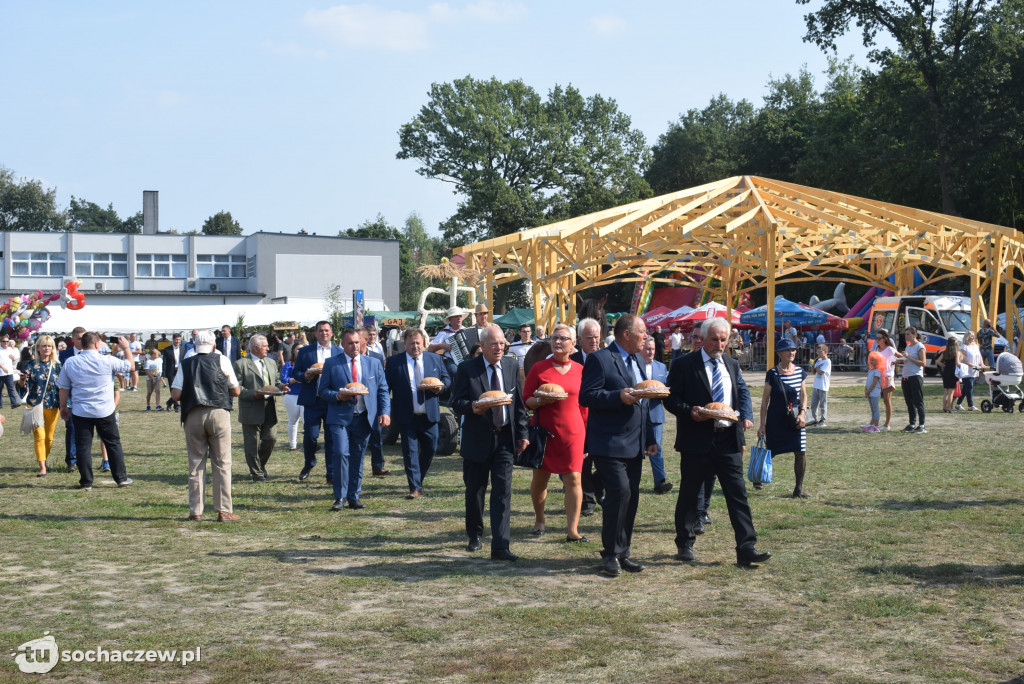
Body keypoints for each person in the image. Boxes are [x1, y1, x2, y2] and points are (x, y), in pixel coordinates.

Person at [666, 317, 770, 566]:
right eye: (715, 339)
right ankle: (685, 542)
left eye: (724, 339)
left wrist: (746, 415)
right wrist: (688, 411)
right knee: (690, 494)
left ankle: (747, 547)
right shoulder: (683, 365)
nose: (720, 344)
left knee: (738, 495)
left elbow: (742, 391)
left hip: (728, 440)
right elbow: (670, 398)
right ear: (702, 338)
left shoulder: (732, 364)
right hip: (696, 440)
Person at [579, 314, 658, 577]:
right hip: (608, 442)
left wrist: (649, 439)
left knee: (631, 497)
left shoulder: (636, 359)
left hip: (634, 443)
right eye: (642, 332)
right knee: (619, 493)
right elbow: (587, 396)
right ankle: (610, 553)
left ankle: (623, 552)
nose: (646, 336)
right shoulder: (599, 359)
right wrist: (617, 396)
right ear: (626, 334)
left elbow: (643, 401)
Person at [450, 324, 529, 561]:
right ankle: (474, 534)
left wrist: (523, 433)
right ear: (482, 346)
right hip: (477, 438)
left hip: (504, 438)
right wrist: (472, 407)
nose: (499, 347)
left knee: (503, 492)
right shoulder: (467, 369)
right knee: (475, 490)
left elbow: (519, 405)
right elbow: (456, 401)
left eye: (502, 342)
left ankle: (501, 546)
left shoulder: (512, 365)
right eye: (494, 343)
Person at [523, 323, 588, 542]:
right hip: (544, 432)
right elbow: (526, 401)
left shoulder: (581, 370)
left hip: (573, 433)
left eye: (563, 339)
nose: (558, 342)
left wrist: (587, 439)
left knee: (574, 480)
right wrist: (541, 400)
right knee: (540, 480)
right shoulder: (539, 368)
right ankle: (540, 520)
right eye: (554, 338)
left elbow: (584, 407)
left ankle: (573, 530)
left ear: (573, 343)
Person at [170, 329, 242, 522]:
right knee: (222, 462)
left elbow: (175, 395)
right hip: (218, 412)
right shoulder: (222, 360)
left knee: (195, 462)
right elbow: (235, 391)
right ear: (214, 345)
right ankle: (224, 510)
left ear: (194, 346)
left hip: (193, 413)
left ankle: (196, 511)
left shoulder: (186, 363)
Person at [317, 328, 390, 510]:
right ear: (342, 344)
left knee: (358, 456)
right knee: (341, 453)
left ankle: (353, 496)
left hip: (364, 418)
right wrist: (338, 395)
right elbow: (322, 391)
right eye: (350, 343)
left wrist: (385, 412)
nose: (354, 346)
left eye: (357, 342)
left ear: (362, 342)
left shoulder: (373, 363)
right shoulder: (332, 364)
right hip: (340, 418)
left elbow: (382, 389)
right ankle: (339, 497)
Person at [56, 332, 135, 490]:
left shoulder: (71, 362)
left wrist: (63, 407)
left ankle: (86, 482)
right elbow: (131, 366)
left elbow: (63, 387)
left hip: (81, 410)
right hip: (104, 409)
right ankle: (121, 478)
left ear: (82, 344)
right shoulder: (107, 360)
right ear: (97, 345)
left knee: (83, 446)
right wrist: (126, 347)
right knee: (113, 444)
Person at [385, 327, 449, 499]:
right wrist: (384, 411)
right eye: (411, 343)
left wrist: (440, 387)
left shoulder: (435, 359)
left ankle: (417, 479)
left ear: (424, 344)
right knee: (410, 451)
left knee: (430, 448)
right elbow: (385, 389)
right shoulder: (393, 363)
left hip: (429, 415)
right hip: (406, 416)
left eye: (418, 343)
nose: (415, 346)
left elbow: (447, 380)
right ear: (404, 344)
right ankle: (414, 487)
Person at [757, 337, 809, 497]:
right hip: (775, 419)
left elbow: (804, 395)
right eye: (787, 349)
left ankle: (798, 489)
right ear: (779, 353)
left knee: (800, 451)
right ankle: (758, 476)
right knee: (771, 450)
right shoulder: (772, 374)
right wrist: (762, 424)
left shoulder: (800, 371)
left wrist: (802, 413)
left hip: (795, 419)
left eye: (793, 349)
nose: (791, 352)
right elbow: (765, 401)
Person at [234, 334, 288, 481]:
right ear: (256, 348)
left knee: (271, 438)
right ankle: (256, 473)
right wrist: (254, 394)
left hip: (270, 407)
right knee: (252, 443)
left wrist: (283, 387)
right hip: (251, 408)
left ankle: (260, 465)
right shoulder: (241, 364)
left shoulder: (271, 362)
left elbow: (275, 382)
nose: (268, 348)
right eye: (265, 346)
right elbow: (236, 387)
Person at [293, 321, 341, 483]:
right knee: (310, 437)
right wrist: (305, 375)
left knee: (331, 438)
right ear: (315, 333)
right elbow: (296, 372)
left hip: (331, 401)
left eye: (327, 330)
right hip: (312, 401)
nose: (324, 333)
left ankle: (331, 473)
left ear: (332, 333)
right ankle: (309, 463)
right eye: (320, 331)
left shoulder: (339, 352)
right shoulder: (306, 351)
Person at [571, 317, 604, 517]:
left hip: (601, 418)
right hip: (577, 419)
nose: (594, 341)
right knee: (582, 463)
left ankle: (598, 488)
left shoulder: (608, 358)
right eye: (589, 337)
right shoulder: (572, 361)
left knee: (605, 461)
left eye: (596, 337)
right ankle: (588, 500)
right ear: (579, 339)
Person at [24, 335, 61, 476]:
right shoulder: (31, 365)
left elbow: (63, 386)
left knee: (49, 437)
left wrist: (65, 404)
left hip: (52, 404)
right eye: (44, 346)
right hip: (34, 404)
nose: (47, 348)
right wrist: (22, 381)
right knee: (39, 435)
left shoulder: (57, 365)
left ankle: (44, 460)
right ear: (38, 348)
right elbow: (22, 388)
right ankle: (42, 467)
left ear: (53, 349)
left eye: (49, 346)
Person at [640, 337, 672, 494]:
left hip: (655, 414)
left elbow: (666, 390)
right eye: (647, 349)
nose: (650, 352)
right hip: (637, 413)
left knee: (657, 448)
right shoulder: (633, 365)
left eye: (652, 349)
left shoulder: (661, 367)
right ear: (640, 349)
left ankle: (660, 481)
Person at [359, 326, 390, 477]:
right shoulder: (345, 357)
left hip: (373, 401)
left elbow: (381, 383)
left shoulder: (377, 357)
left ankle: (378, 466)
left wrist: (383, 408)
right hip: (356, 403)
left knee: (376, 434)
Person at [58, 326, 86, 472]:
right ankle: (71, 460)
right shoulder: (64, 355)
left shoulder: (93, 354)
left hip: (87, 399)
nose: (82, 341)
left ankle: (85, 460)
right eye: (79, 338)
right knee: (72, 428)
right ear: (72, 339)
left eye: (84, 338)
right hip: (69, 398)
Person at [894, 327, 927, 433]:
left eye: (908, 334)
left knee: (918, 401)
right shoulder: (908, 346)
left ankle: (922, 425)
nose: (906, 336)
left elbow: (923, 363)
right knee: (909, 401)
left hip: (915, 376)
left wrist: (908, 357)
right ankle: (912, 423)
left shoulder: (920, 346)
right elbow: (907, 361)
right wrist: (898, 361)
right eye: (906, 334)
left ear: (914, 335)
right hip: (906, 376)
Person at [427, 307, 468, 381]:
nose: (459, 318)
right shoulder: (444, 332)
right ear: (450, 319)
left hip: (467, 360)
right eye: (456, 316)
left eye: (460, 316)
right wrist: (442, 345)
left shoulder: (466, 330)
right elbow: (430, 348)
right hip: (450, 360)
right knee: (455, 371)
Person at [281, 345, 303, 450]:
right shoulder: (289, 364)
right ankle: (292, 444)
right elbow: (283, 379)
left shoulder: (307, 363)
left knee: (307, 421)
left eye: (302, 348)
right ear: (293, 351)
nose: (300, 350)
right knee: (293, 420)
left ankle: (309, 443)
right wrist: (294, 380)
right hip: (292, 395)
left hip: (304, 395)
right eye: (297, 348)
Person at [874, 330, 897, 430]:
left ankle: (887, 424)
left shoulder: (890, 349)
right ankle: (875, 422)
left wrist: (894, 362)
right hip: (878, 376)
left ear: (885, 339)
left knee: (886, 400)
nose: (877, 340)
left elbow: (901, 357)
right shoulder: (877, 348)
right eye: (876, 338)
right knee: (877, 399)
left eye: (879, 338)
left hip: (887, 376)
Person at [956, 331, 982, 411]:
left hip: (975, 369)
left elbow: (979, 355)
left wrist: (982, 364)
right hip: (967, 370)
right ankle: (971, 405)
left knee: (966, 388)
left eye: (974, 336)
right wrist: (971, 364)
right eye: (971, 336)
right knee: (969, 386)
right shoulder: (964, 347)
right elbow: (962, 359)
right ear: (967, 337)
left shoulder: (976, 346)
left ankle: (958, 404)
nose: (973, 338)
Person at [807, 344, 831, 427]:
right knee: (813, 404)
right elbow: (814, 372)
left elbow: (820, 372)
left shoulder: (827, 361)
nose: (819, 353)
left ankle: (823, 420)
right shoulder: (819, 360)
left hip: (823, 386)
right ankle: (814, 420)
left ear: (826, 352)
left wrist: (815, 366)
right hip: (816, 385)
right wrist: (812, 365)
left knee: (823, 404)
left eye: (820, 351)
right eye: (818, 352)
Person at [936, 336, 960, 413]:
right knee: (951, 392)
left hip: (945, 372)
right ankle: (950, 408)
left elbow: (938, 362)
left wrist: (943, 365)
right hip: (953, 372)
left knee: (946, 392)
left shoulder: (945, 352)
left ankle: (944, 407)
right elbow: (957, 363)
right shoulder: (956, 352)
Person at [162, 333, 183, 412]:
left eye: (179, 340)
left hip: (180, 371)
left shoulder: (183, 349)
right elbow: (164, 362)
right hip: (171, 371)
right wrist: (163, 374)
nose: (177, 341)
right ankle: (176, 405)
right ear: (173, 340)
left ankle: (169, 402)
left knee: (180, 389)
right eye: (176, 339)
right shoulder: (167, 349)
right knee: (173, 388)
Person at [863, 351, 883, 432]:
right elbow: (868, 381)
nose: (871, 362)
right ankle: (872, 424)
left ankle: (876, 425)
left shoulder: (877, 371)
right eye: (871, 360)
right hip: (870, 392)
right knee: (872, 409)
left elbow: (874, 383)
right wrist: (866, 390)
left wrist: (868, 391)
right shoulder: (870, 370)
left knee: (875, 409)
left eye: (873, 360)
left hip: (874, 393)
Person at [0, 333, 21, 408]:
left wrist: (13, 357)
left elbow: (14, 358)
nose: (6, 343)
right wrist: (3, 368)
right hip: (1, 373)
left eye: (7, 341)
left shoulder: (9, 349)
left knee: (11, 389)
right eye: (4, 342)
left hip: (9, 373)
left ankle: (13, 403)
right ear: (1, 342)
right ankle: (0, 404)